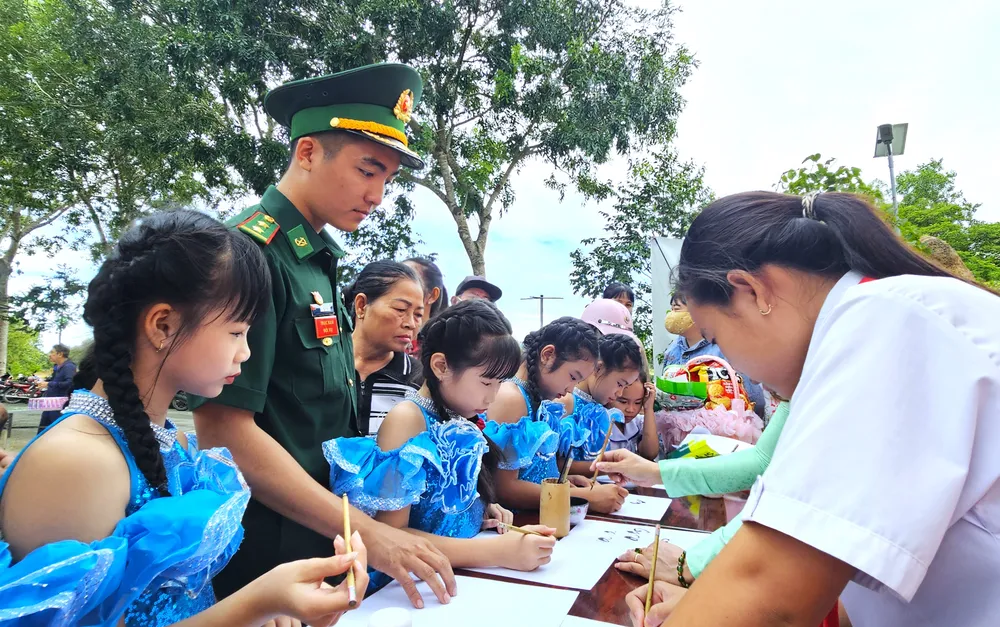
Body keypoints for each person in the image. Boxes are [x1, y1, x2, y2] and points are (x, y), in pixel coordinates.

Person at [597, 190, 1000, 627]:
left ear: (751, 291)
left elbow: (772, 597)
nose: (729, 362)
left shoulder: (884, 321)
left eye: (714, 332)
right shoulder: (884, 316)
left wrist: (726, 604)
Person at [0, 210, 369, 626]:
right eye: (235, 331)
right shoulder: (76, 462)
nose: (246, 352)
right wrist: (256, 604)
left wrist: (270, 611)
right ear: (163, 324)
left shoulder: (168, 443)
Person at [187, 63, 456, 609]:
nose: (377, 194)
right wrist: (369, 532)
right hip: (267, 549)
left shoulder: (315, 260)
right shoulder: (251, 254)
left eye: (386, 179)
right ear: (307, 152)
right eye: (367, 170)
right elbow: (223, 427)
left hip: (322, 537)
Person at [326, 300, 556, 585]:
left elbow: (439, 508)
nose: (493, 397)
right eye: (487, 383)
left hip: (450, 575)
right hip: (406, 587)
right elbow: (391, 536)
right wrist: (494, 551)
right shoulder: (408, 419)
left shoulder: (456, 417)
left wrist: (478, 509)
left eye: (500, 383)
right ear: (441, 366)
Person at [486, 317, 628, 514]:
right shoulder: (512, 398)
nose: (571, 389)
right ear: (548, 355)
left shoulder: (538, 398)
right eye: (572, 377)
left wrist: (564, 480)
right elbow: (505, 488)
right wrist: (580, 497)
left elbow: (533, 473)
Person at [346, 261, 424, 437]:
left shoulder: (419, 381)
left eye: (418, 315)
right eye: (400, 309)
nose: (411, 324)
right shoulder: (326, 366)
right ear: (361, 305)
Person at [663, 292, 766, 418]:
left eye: (677, 309)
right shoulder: (672, 350)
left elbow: (753, 398)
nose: (672, 315)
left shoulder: (725, 348)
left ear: (697, 311)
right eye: (671, 309)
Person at [606, 369, 660, 460]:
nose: (630, 409)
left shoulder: (638, 422)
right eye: (623, 402)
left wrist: (648, 409)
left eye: (638, 402)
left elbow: (650, 454)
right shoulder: (598, 425)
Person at [402, 257, 448, 356]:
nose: (396, 284)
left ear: (432, 295)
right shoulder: (381, 341)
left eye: (408, 278)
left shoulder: (444, 348)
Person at [36, 344, 77, 433]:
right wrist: (44, 382)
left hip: (60, 405)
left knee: (55, 430)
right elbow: (54, 381)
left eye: (52, 352)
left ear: (60, 354)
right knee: (43, 430)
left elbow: (70, 383)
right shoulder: (57, 367)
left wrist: (49, 384)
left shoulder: (69, 367)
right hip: (50, 403)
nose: (49, 355)